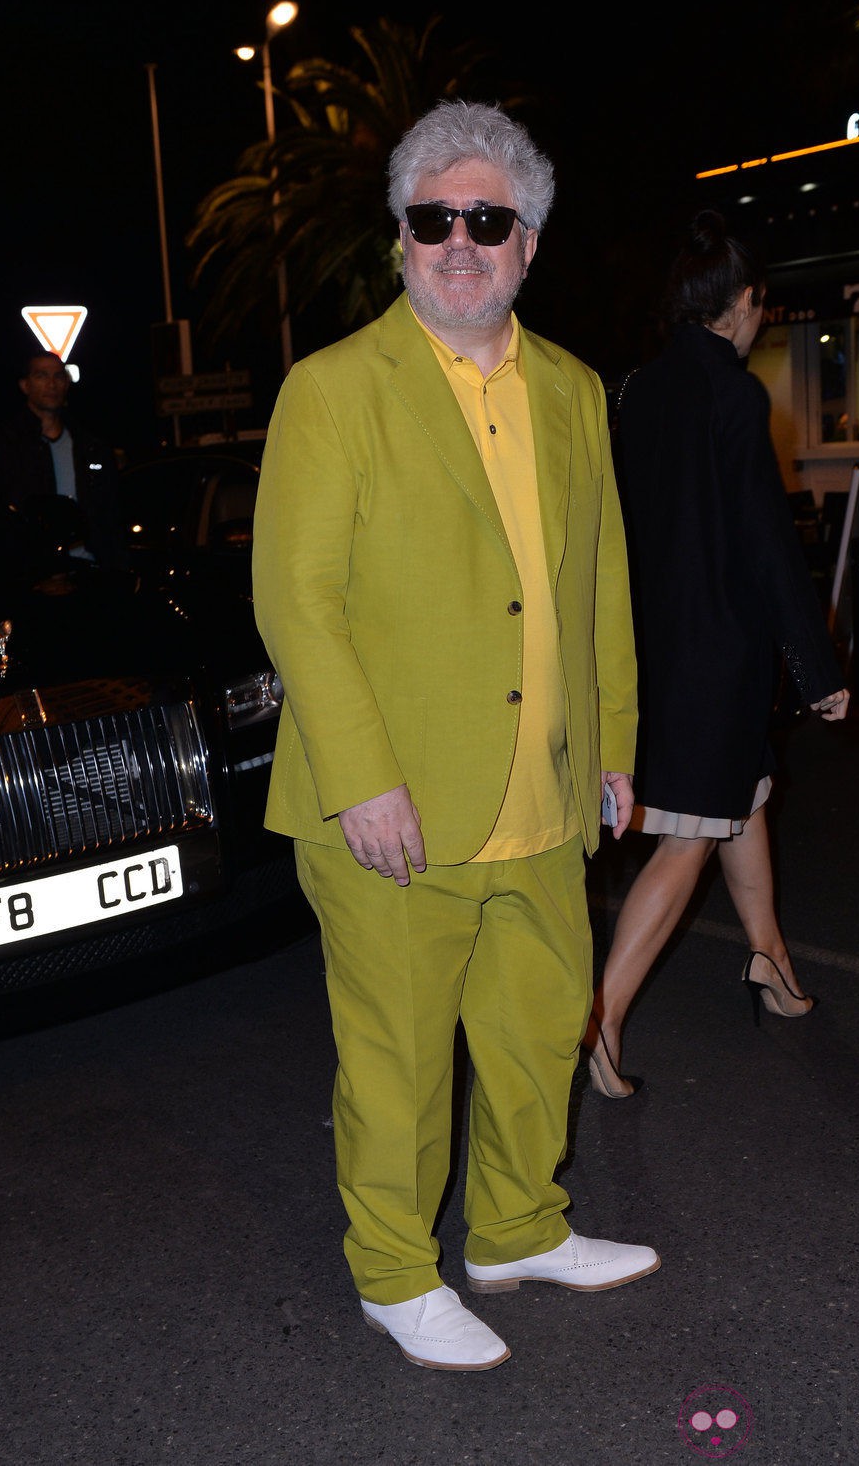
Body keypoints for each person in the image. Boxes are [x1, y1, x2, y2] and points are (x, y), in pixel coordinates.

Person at [252, 99, 660, 1372]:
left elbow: (600, 584)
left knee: (541, 1030)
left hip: (540, 789)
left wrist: (611, 741)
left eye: (488, 218)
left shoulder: (575, 392)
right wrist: (360, 779)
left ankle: (517, 1227)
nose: (460, 242)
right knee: (398, 1061)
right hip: (394, 807)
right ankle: (391, 1273)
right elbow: (294, 600)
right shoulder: (332, 391)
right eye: (433, 219)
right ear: (400, 239)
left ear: (528, 241)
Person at [583, 208, 849, 1101]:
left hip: (652, 652)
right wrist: (819, 672)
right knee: (689, 839)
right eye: (759, 304)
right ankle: (602, 1020)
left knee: (745, 797)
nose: (761, 317)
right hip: (716, 659)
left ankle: (768, 959)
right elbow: (767, 542)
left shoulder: (634, 390)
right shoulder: (734, 394)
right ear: (737, 304)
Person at [0, 349, 124, 568]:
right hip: (29, 575)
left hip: (89, 569)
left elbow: (111, 513)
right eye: (41, 376)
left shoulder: (90, 445)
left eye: (58, 376)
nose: (51, 384)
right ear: (25, 385)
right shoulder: (1, 445)